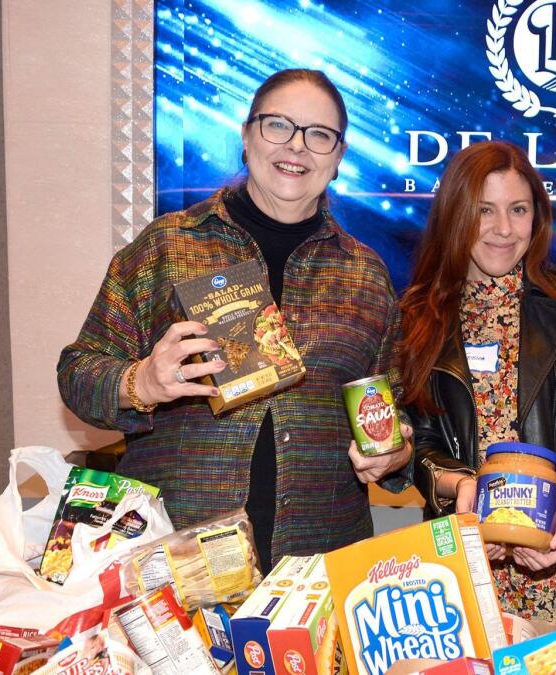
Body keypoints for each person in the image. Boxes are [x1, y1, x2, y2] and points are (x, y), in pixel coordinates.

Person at [58, 69, 412, 572]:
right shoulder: (167, 246)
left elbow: (393, 408)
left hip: (318, 567)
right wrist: (142, 382)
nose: (297, 147)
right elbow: (76, 374)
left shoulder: (366, 275)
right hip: (178, 560)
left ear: (337, 158)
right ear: (247, 137)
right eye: (278, 126)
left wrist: (395, 454)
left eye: (319, 135)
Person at [400, 141, 556, 626]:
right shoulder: (418, 314)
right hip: (467, 560)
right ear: (454, 215)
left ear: (538, 217)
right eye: (484, 211)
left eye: (518, 210)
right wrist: (460, 488)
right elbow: (421, 443)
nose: (503, 229)